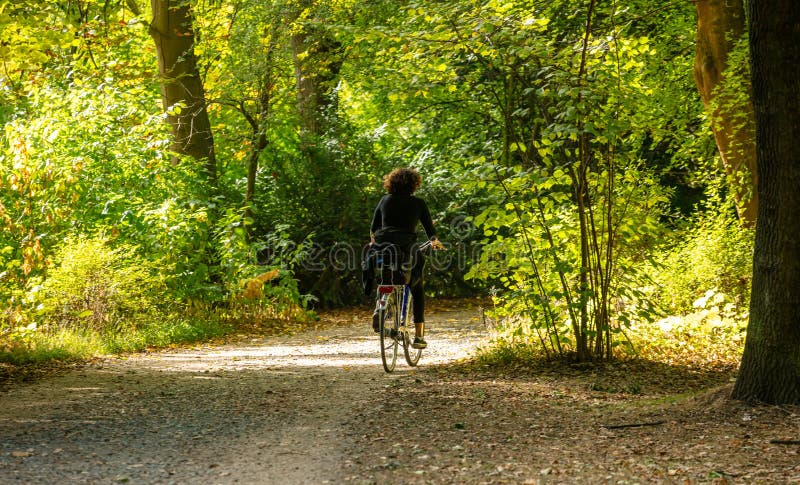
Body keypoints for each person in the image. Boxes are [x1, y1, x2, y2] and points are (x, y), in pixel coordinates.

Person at [368, 167, 443, 349]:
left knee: (386, 276)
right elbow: (430, 231)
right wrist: (434, 242)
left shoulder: (384, 201)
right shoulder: (418, 203)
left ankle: (381, 305)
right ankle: (418, 336)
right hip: (407, 248)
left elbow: (373, 228)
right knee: (417, 287)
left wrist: (373, 243)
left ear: (391, 183)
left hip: (384, 248)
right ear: (414, 184)